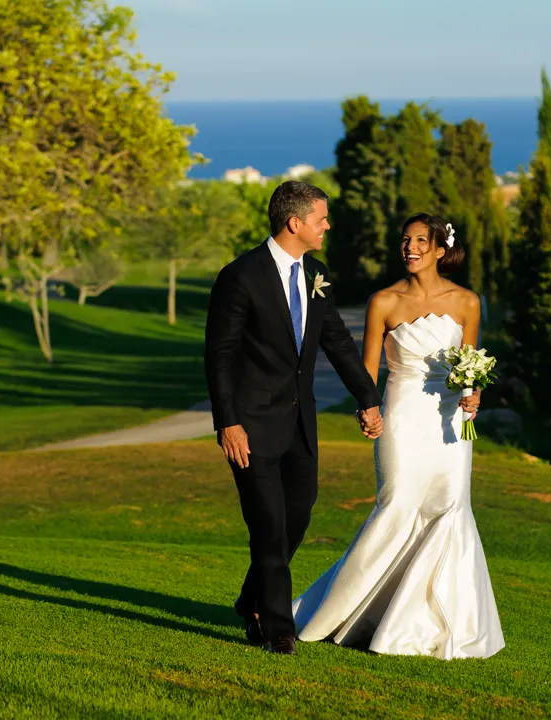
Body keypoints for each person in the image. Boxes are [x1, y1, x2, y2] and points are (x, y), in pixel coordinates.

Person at [293, 213, 504, 660]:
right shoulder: (383, 301)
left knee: (448, 509)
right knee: (397, 506)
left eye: (420, 242)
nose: (410, 248)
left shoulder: (467, 302)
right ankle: (337, 614)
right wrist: (365, 407)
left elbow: (471, 364)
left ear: (440, 250)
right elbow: (367, 367)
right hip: (403, 416)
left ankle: (427, 625)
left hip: (450, 425)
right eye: (405, 240)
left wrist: (474, 394)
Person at [204, 181, 383, 655]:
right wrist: (228, 421)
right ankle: (277, 627)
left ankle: (252, 598)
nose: (328, 225)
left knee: (296, 518)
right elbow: (218, 356)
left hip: (302, 426)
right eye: (321, 218)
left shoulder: (316, 274)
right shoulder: (239, 277)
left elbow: (338, 343)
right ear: (295, 222)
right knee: (268, 524)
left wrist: (367, 397)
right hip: (250, 427)